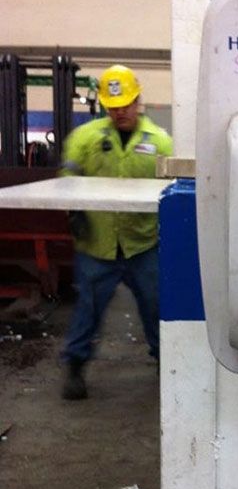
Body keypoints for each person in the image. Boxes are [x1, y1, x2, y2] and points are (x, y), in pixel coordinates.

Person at [60, 64, 173, 400]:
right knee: (88, 310)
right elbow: (67, 179)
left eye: (125, 104)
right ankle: (75, 367)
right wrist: (72, 206)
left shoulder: (159, 142)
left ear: (138, 100)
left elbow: (172, 190)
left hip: (143, 245)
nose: (120, 111)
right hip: (97, 244)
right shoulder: (85, 138)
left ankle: (166, 363)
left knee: (156, 307)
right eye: (114, 106)